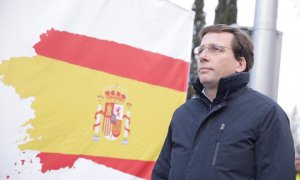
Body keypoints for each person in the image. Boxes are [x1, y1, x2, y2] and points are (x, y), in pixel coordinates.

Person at [152, 24, 295, 179]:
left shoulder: (267, 115)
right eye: (200, 50)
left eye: (216, 49)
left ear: (240, 64)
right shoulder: (183, 114)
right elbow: (161, 174)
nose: (203, 56)